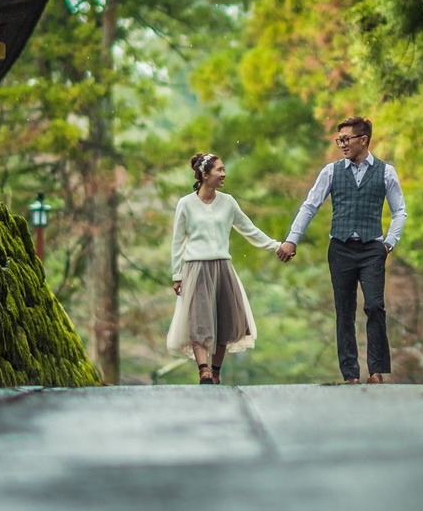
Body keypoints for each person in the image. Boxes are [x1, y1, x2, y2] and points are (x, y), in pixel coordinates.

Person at [276, 117, 406, 384]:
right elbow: (310, 205)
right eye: (339, 140)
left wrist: (389, 243)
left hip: (372, 248)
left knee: (374, 305)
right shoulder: (331, 171)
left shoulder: (385, 172)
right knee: (344, 310)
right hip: (340, 249)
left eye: (346, 139)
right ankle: (350, 375)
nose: (342, 145)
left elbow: (399, 211)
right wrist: (292, 239)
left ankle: (376, 371)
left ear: (364, 140)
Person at [167, 153, 281, 384]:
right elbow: (178, 241)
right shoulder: (186, 204)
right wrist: (177, 274)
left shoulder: (228, 202)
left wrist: (276, 247)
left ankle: (216, 371)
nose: (223, 174)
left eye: (223, 169)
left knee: (225, 320)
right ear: (204, 175)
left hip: (222, 267)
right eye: (219, 170)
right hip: (196, 268)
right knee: (199, 320)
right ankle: (203, 370)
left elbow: (249, 229)